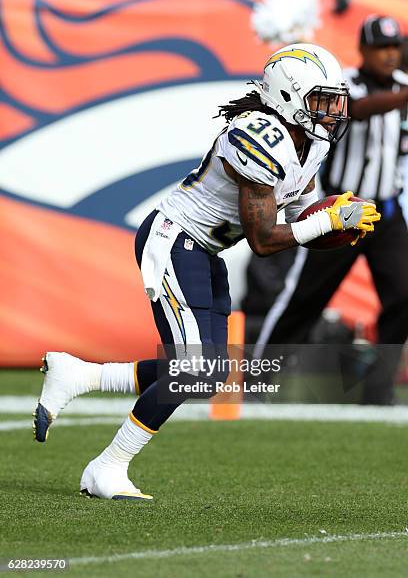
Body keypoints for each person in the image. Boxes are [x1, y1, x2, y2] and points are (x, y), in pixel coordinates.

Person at [33, 43, 380, 500]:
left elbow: (292, 212)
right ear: (288, 97)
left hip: (205, 251)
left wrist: (331, 221)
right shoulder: (257, 136)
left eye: (334, 101)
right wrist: (326, 222)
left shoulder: (309, 142)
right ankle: (107, 466)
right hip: (176, 240)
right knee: (194, 369)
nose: (332, 112)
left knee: (208, 371)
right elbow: (263, 240)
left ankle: (79, 376)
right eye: (321, 100)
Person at [254, 16, 408, 405]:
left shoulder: (405, 88)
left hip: (386, 213)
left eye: (395, 47)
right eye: (381, 47)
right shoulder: (345, 85)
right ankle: (260, 380)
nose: (389, 55)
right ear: (364, 50)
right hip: (341, 209)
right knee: (305, 298)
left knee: (404, 295)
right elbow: (357, 110)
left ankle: (377, 389)